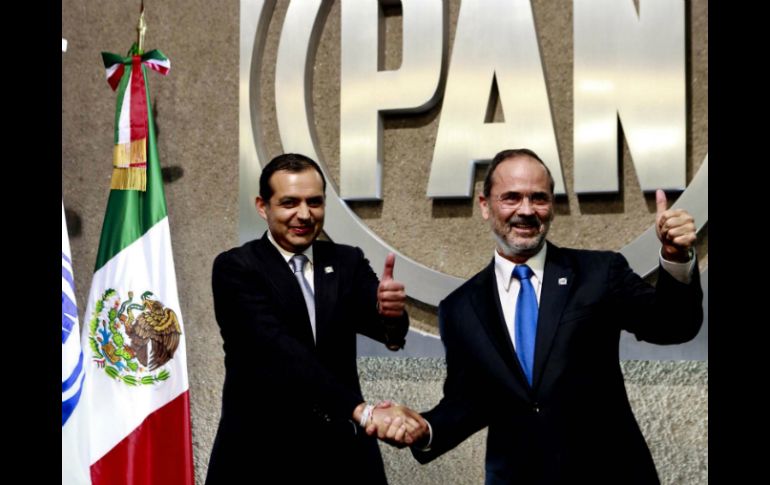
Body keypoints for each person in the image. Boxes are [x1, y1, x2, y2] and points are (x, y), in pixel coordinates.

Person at [404, 148, 703, 484]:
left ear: (553, 206)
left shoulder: (598, 273)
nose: (527, 210)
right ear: (485, 205)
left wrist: (676, 256)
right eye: (511, 197)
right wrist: (425, 428)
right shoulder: (459, 308)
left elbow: (674, 325)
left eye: (539, 198)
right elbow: (467, 402)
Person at [205, 153, 416, 484]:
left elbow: (389, 335)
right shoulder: (236, 268)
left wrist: (391, 313)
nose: (304, 214)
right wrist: (362, 411)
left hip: (342, 457)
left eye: (314, 202)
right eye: (290, 202)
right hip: (260, 457)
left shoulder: (347, 261)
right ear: (263, 206)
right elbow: (278, 351)